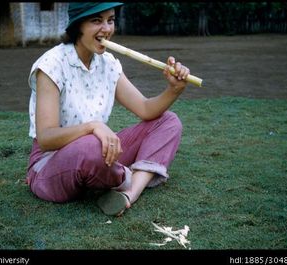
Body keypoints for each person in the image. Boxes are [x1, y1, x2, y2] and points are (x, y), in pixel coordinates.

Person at [25, 2, 190, 216]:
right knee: (91, 147)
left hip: (97, 155)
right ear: (78, 25)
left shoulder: (108, 63)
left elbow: (146, 109)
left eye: (110, 20)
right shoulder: (51, 65)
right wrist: (93, 126)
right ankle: (123, 177)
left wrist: (174, 89)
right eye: (96, 21)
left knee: (168, 122)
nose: (107, 29)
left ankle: (129, 193)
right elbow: (46, 138)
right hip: (50, 165)